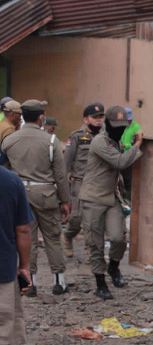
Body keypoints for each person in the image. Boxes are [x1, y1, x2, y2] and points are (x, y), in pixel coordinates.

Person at [2, 100, 70, 296]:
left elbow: (5, 168)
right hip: (46, 194)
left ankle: (30, 282)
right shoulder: (50, 141)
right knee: (53, 238)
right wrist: (65, 201)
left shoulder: (10, 140)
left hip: (20, 194)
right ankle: (59, 281)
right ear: (41, 117)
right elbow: (60, 174)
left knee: (26, 239)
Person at [79, 106, 143, 300]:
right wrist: (138, 144)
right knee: (95, 243)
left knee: (118, 238)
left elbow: (123, 155)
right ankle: (100, 282)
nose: (119, 130)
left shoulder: (116, 142)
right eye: (115, 126)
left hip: (111, 197)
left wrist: (130, 146)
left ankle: (113, 267)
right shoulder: (100, 141)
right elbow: (121, 162)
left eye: (123, 126)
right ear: (107, 124)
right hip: (93, 198)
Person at [0, 165, 33, 345]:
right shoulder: (11, 181)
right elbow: (22, 228)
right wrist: (25, 266)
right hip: (3, 268)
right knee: (2, 334)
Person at [62, 103, 105, 259]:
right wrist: (63, 185)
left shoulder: (105, 136)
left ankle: (91, 251)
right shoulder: (77, 137)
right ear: (86, 119)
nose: (99, 120)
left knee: (93, 219)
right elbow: (66, 162)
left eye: (101, 117)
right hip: (80, 182)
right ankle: (67, 236)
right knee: (77, 217)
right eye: (95, 118)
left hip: (99, 183)